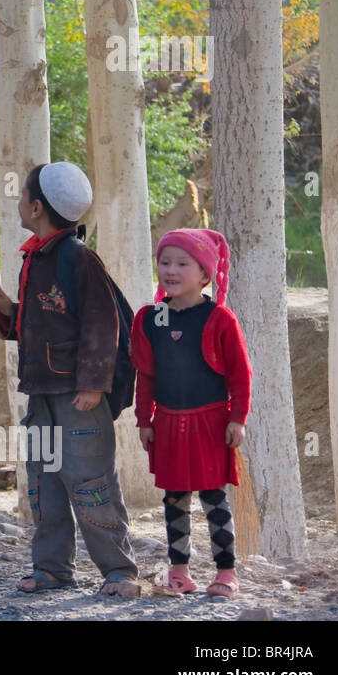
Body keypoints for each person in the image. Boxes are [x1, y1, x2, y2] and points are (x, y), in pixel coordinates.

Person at [0, 162, 140, 597]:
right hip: (42, 394)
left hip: (78, 397)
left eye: (21, 198)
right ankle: (52, 568)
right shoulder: (36, 255)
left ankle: (119, 570)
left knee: (91, 480)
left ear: (36, 207)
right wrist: (8, 312)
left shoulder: (79, 259)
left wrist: (94, 383)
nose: (18, 203)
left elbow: (100, 324)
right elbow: (44, 323)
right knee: (43, 479)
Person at [131, 229, 251, 598]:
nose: (171, 269)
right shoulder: (153, 318)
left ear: (205, 275)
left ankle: (226, 572)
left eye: (182, 263)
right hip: (167, 422)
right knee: (174, 498)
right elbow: (147, 374)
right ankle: (179, 572)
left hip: (211, 422)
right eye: (165, 262)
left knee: (214, 498)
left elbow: (240, 373)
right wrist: (145, 420)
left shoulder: (219, 319)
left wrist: (237, 419)